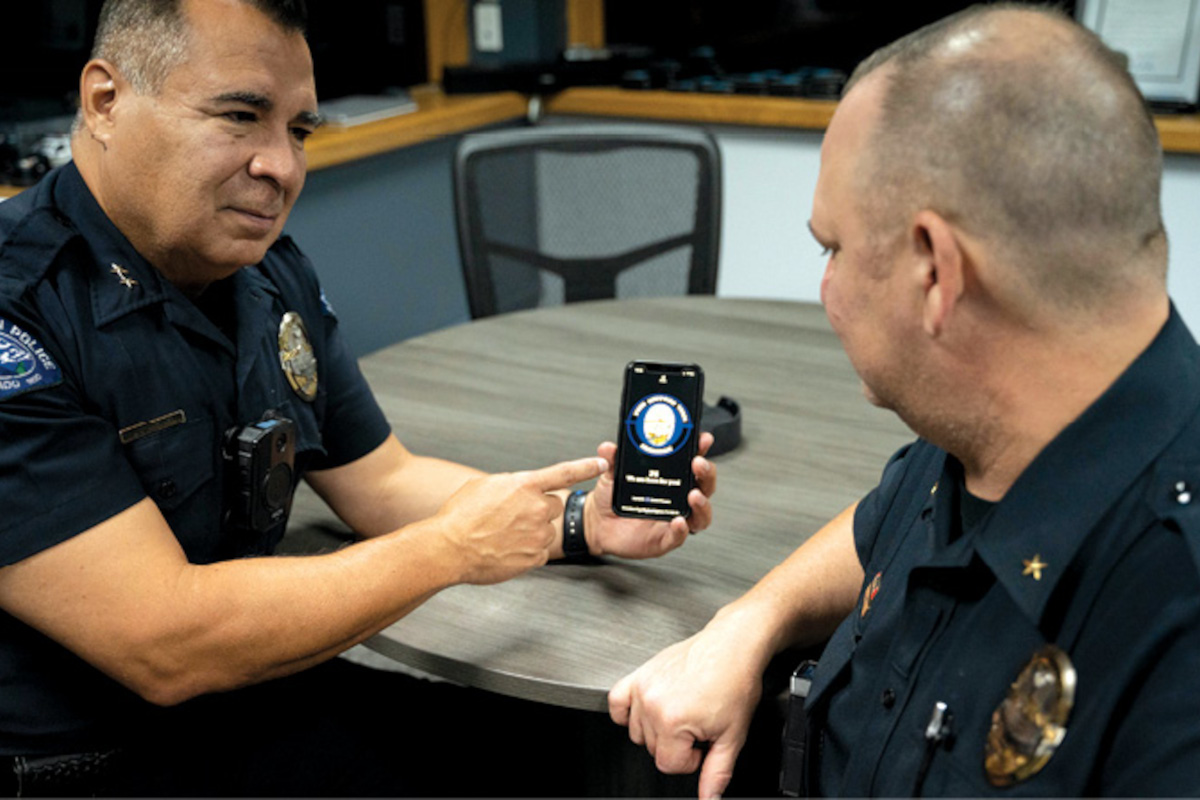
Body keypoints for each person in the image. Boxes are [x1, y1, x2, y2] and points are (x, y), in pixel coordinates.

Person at [0, 0, 717, 795]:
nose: (282, 167)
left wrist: (581, 520)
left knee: (551, 755)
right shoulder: (18, 313)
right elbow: (164, 641)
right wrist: (453, 552)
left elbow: (381, 482)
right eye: (241, 116)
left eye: (299, 131)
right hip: (83, 766)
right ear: (105, 101)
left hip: (246, 707)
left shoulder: (265, 277)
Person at [609, 3, 1200, 797]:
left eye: (835, 248)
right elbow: (876, 527)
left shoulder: (1171, 626)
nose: (825, 289)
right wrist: (748, 623)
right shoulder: (996, 425)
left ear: (935, 273)